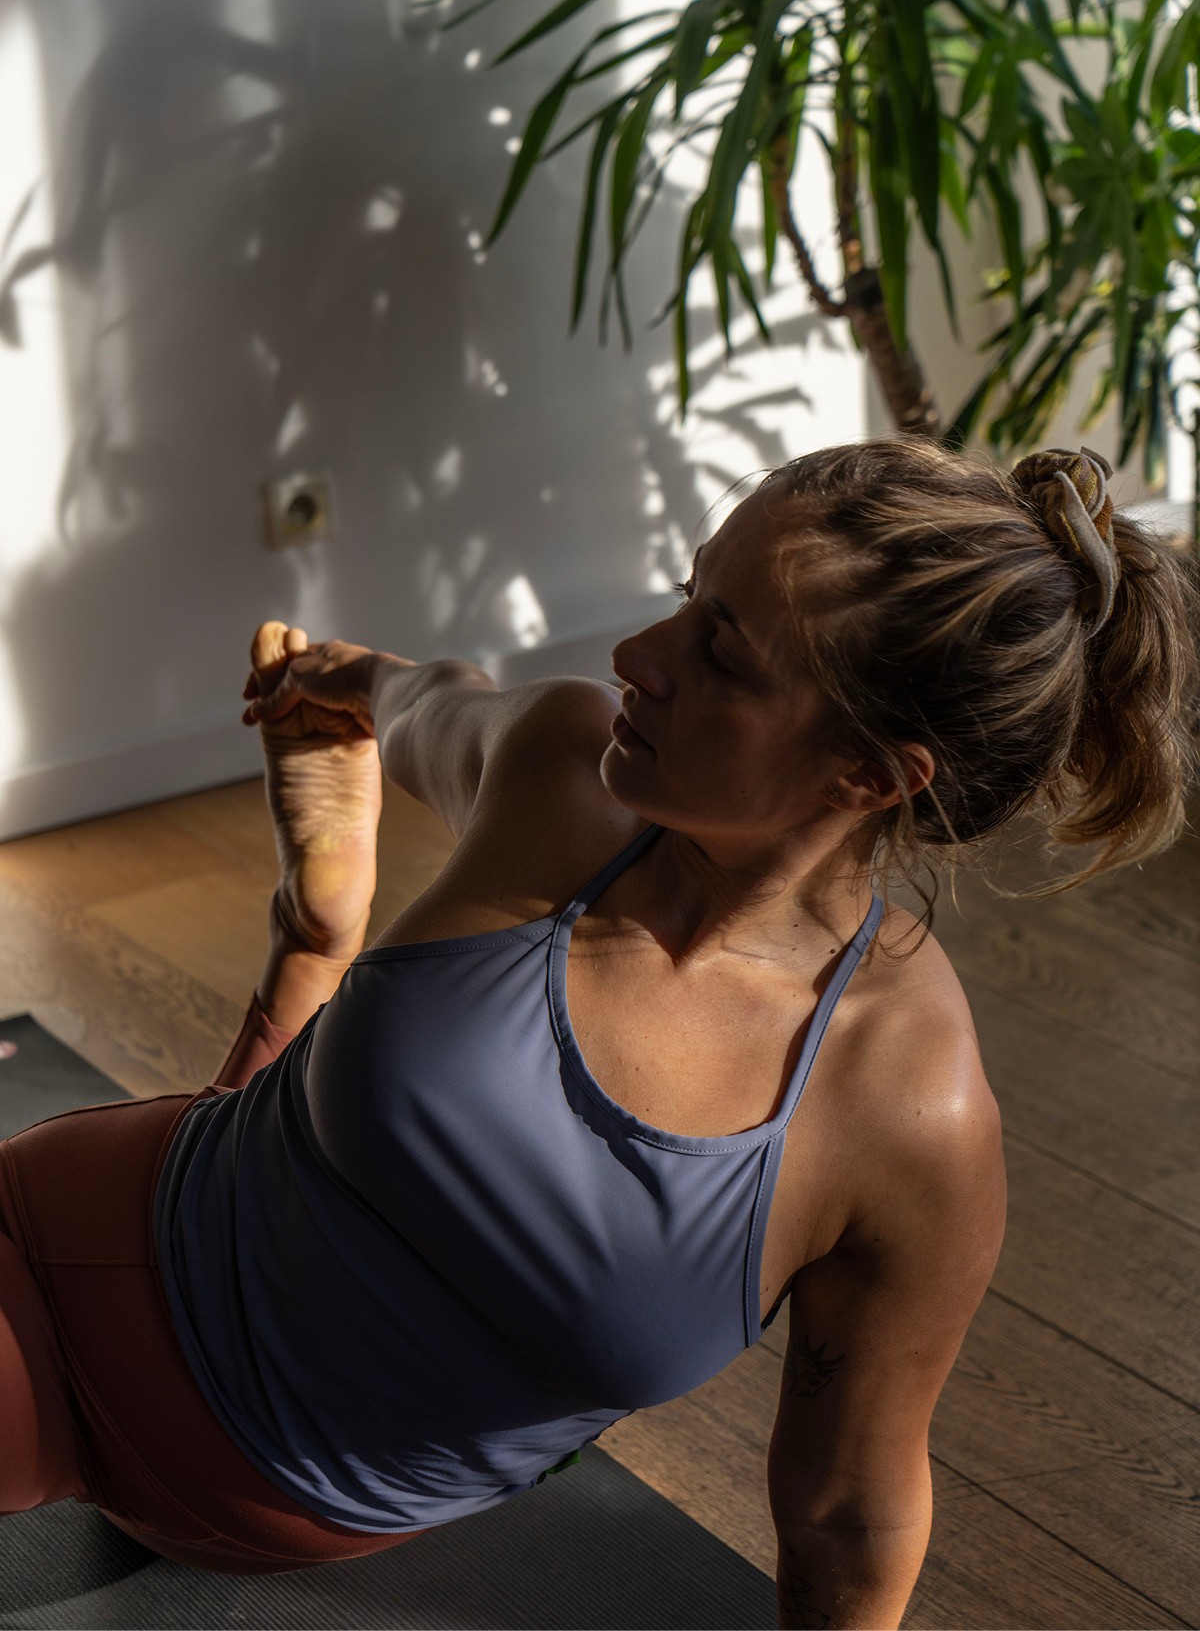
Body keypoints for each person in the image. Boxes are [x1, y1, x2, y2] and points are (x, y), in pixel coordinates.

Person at [1, 439, 1196, 1626]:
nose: (637, 655)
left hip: (285, 1509)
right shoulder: (562, 773)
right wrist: (347, 682)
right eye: (686, 595)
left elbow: (848, 1514)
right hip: (61, 1274)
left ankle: (317, 935)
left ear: (871, 776)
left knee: (341, 1137)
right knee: (287, 1141)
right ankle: (312, 939)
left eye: (720, 653)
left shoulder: (908, 1114)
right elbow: (435, 701)